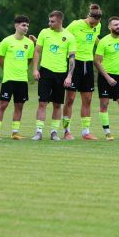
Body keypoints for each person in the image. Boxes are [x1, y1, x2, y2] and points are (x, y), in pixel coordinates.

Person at [31, 10, 76, 141]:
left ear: (60, 21)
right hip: (45, 72)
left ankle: (54, 132)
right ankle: (38, 132)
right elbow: (37, 51)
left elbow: (72, 58)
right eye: (49, 21)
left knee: (57, 104)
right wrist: (35, 69)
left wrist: (69, 76)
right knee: (42, 102)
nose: (49, 23)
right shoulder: (44, 33)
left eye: (52, 21)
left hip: (61, 74)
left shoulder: (69, 37)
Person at [63, 4, 103, 140]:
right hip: (75, 63)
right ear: (88, 16)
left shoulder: (98, 26)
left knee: (88, 99)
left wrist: (102, 46)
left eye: (96, 24)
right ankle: (66, 131)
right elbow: (63, 36)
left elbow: (95, 38)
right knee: (70, 99)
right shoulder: (75, 24)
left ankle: (86, 132)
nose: (93, 26)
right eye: (92, 23)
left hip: (88, 64)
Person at [0, 15, 35, 140]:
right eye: (23, 25)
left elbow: (29, 60)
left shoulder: (29, 43)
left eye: (27, 26)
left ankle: (15, 132)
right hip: (9, 79)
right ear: (16, 25)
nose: (26, 28)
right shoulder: (6, 41)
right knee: (3, 105)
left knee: (19, 106)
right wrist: (8, 69)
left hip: (22, 80)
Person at [93, 16, 119, 141]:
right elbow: (97, 61)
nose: (118, 27)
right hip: (105, 76)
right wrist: (108, 78)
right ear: (109, 27)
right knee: (104, 104)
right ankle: (107, 133)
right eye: (115, 25)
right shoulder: (104, 41)